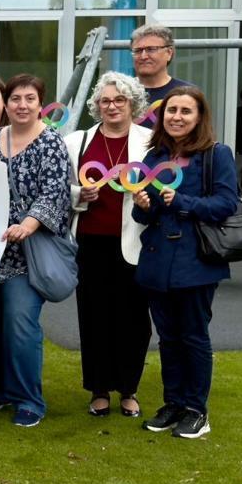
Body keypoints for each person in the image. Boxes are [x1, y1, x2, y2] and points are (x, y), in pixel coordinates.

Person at [132, 86, 237, 439]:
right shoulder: (154, 156)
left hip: (195, 260)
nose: (177, 117)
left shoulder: (215, 155)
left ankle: (196, 410)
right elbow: (142, 214)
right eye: (171, 110)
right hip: (157, 260)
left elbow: (226, 204)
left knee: (193, 336)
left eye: (185, 111)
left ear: (199, 117)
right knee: (168, 338)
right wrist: (143, 206)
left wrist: (181, 200)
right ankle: (173, 403)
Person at [0, 74, 72, 428]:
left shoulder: (51, 143)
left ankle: (29, 399)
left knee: (20, 324)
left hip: (27, 256)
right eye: (15, 98)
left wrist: (28, 224)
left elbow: (55, 194)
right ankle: (1, 390)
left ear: (40, 103)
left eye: (29, 99)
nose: (21, 105)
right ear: (6, 103)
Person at [65, 72, 154, 419]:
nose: (112, 106)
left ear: (133, 104)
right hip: (90, 242)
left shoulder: (149, 142)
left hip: (135, 242)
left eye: (120, 100)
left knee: (134, 320)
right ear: (96, 106)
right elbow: (63, 190)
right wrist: (79, 195)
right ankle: (99, 390)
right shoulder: (78, 141)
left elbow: (158, 186)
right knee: (94, 317)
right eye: (105, 100)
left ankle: (129, 390)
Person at [130, 24, 192, 111]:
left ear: (169, 53)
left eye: (151, 49)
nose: (143, 56)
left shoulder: (187, 94)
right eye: (138, 51)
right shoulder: (122, 93)